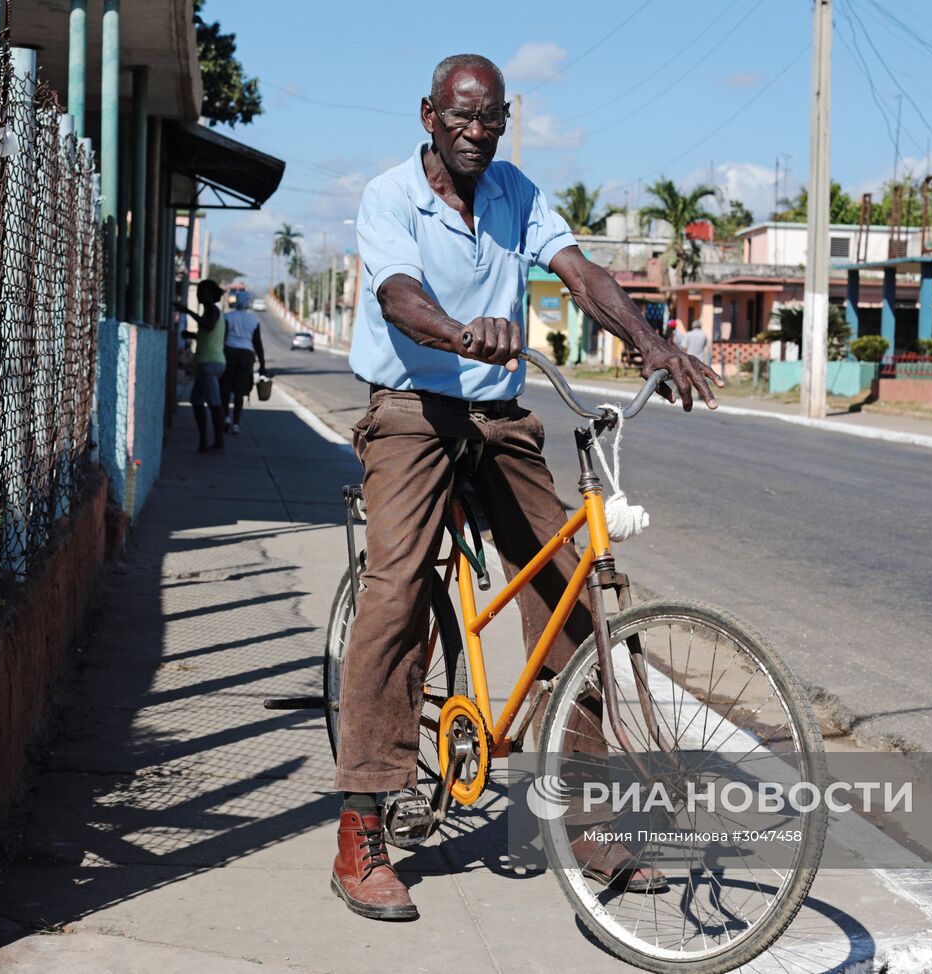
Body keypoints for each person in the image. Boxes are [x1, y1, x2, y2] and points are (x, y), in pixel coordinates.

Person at [329, 53, 722, 922]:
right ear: (428, 114)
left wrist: (649, 342)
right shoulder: (391, 195)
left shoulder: (515, 191)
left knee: (572, 587)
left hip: (498, 416)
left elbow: (579, 271)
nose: (478, 132)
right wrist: (461, 334)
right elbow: (398, 295)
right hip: (411, 412)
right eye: (463, 117)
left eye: (493, 118)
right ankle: (361, 827)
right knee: (397, 593)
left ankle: (582, 814)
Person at [177, 279, 226, 453]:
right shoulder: (210, 312)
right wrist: (191, 335)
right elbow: (208, 334)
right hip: (210, 362)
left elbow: (209, 326)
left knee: (214, 403)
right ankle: (204, 440)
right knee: (197, 401)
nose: (198, 295)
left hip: (209, 363)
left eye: (201, 292)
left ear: (211, 295)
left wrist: (187, 311)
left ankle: (218, 441)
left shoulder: (212, 310)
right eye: (198, 292)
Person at [219, 289, 267, 434]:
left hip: (229, 352)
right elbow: (257, 343)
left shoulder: (227, 317)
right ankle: (236, 424)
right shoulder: (254, 320)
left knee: (225, 387)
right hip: (247, 355)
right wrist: (263, 365)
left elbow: (222, 337)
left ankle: (226, 417)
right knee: (240, 391)